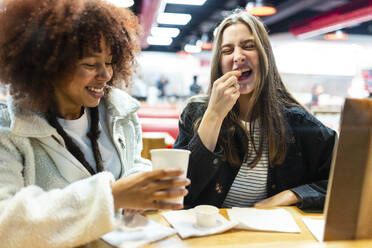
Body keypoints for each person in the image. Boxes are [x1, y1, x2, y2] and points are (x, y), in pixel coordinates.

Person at [0, 0, 189, 247]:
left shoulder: (120, 112)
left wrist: (140, 185)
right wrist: (112, 196)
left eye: (109, 61)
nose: (106, 74)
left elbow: (134, 163)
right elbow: (7, 223)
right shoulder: (9, 127)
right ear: (48, 66)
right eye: (90, 64)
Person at [173, 9, 336, 210]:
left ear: (264, 55)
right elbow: (178, 192)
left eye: (248, 46)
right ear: (219, 63)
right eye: (227, 50)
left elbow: (347, 178)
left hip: (271, 238)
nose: (238, 56)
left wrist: (292, 194)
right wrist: (214, 115)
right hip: (208, 236)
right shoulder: (195, 112)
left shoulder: (298, 122)